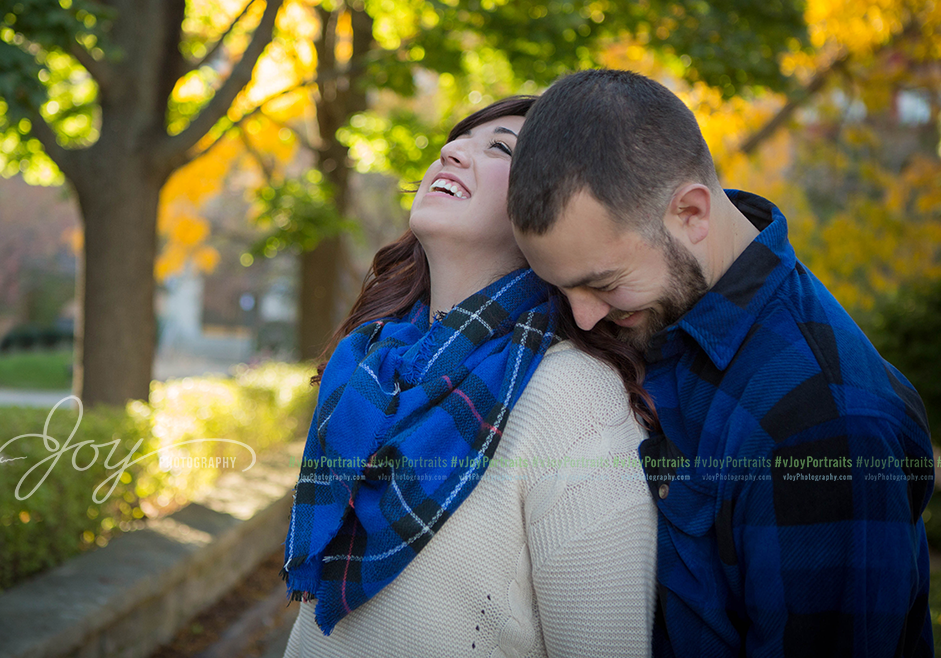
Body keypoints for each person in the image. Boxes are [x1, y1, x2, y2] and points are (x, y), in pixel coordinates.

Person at [506, 69, 933, 657]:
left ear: (692, 213)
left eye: (603, 283)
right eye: (561, 290)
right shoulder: (660, 311)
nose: (581, 319)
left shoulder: (823, 425)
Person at [282, 97, 658, 657]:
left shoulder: (574, 399)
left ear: (556, 211)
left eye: (500, 147)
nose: (451, 151)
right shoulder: (373, 363)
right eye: (456, 141)